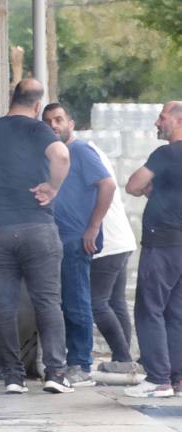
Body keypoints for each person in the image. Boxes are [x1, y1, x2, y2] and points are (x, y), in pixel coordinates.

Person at [0, 79, 72, 394]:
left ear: (11, 98)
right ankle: (56, 374)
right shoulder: (37, 129)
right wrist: (52, 186)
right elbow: (61, 157)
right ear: (36, 105)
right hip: (36, 228)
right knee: (47, 302)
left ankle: (13, 377)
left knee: (3, 304)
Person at [42, 103, 116, 387]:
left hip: (76, 237)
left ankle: (82, 365)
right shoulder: (52, 154)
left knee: (76, 301)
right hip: (57, 237)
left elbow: (108, 185)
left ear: (71, 123)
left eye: (59, 120)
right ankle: (69, 361)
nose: (53, 126)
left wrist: (93, 227)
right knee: (62, 302)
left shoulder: (81, 151)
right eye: (48, 121)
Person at [123, 101, 182, 398]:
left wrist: (149, 187)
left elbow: (133, 185)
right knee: (176, 312)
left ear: (178, 120)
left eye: (162, 117)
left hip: (162, 244)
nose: (157, 123)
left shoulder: (166, 153)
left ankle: (158, 378)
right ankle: (177, 377)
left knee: (149, 309)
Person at [85, 140, 138, 373]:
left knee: (97, 303)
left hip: (107, 242)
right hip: (122, 239)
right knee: (115, 302)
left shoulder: (81, 153)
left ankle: (124, 358)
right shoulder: (93, 149)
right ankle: (123, 360)